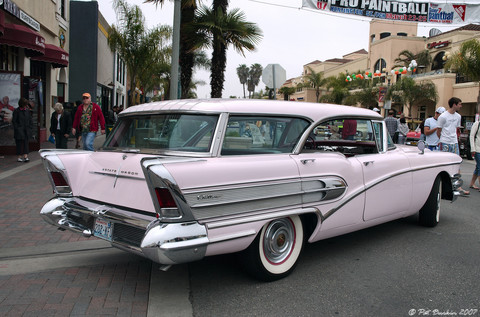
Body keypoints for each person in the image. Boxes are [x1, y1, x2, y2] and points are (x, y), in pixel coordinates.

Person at [437, 97, 469, 196]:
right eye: (459, 104)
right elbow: (439, 131)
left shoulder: (458, 116)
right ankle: (441, 186)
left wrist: (456, 139)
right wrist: (442, 140)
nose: (461, 106)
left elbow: (456, 129)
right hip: (445, 142)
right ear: (454, 104)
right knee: (444, 164)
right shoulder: (443, 116)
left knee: (457, 163)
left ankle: (457, 186)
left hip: (454, 142)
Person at [12, 98, 33, 162]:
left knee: (26, 143)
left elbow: (30, 120)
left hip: (26, 130)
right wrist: (17, 128)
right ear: (22, 104)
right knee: (19, 144)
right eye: (25, 104)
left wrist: (30, 127)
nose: (26, 106)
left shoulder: (27, 111)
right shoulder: (16, 111)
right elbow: (14, 121)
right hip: (19, 130)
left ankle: (25, 156)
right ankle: (19, 156)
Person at [468, 119, 480, 191]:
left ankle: (472, 183)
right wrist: (473, 148)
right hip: (477, 149)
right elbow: (472, 136)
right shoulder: (477, 124)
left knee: (478, 167)